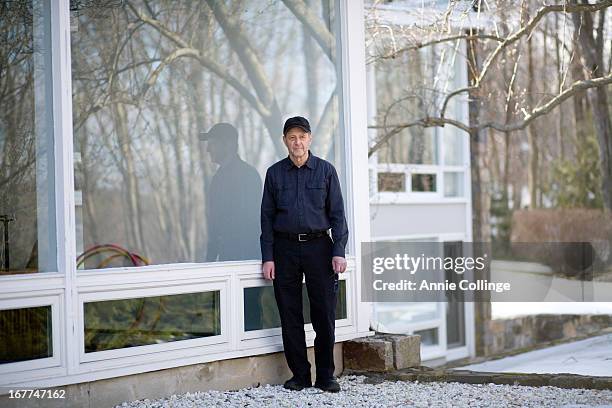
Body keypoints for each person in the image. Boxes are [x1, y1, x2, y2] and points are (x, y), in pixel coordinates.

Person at [260, 116, 348, 393]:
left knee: (324, 314)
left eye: (302, 136)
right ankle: (299, 375)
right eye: (291, 137)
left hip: (319, 248)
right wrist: (268, 256)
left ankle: (326, 375)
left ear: (309, 139)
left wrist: (339, 251)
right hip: (284, 250)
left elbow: (337, 216)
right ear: (285, 140)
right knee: (290, 314)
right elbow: (266, 218)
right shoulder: (274, 174)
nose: (297, 142)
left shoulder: (325, 171)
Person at [200, 122, 262, 262]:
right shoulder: (217, 179)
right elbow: (215, 225)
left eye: (212, 143)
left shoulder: (248, 176)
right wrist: (209, 262)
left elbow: (251, 222)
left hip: (248, 262)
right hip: (226, 262)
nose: (208, 149)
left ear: (227, 144)